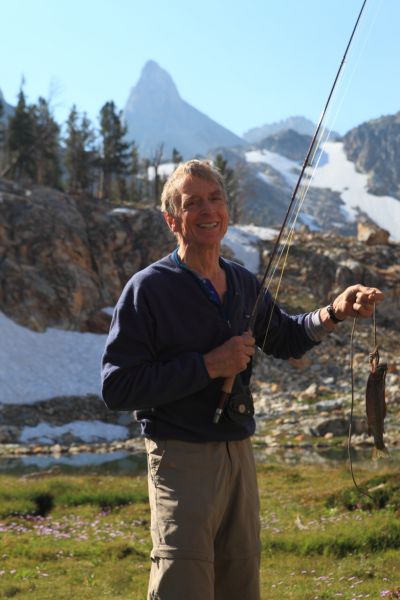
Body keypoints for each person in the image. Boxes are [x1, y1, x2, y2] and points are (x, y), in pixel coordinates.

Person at [101, 159, 384, 600]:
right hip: (179, 458)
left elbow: (287, 337)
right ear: (172, 218)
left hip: (239, 453)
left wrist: (334, 312)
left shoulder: (242, 281)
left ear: (227, 210)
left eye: (215, 199)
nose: (208, 210)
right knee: (184, 583)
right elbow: (117, 387)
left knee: (240, 580)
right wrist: (209, 365)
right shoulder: (147, 289)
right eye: (192, 202)